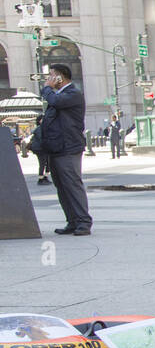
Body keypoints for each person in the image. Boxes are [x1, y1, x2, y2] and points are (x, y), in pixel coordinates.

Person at [40, 63, 92, 235]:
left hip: (69, 148)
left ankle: (83, 222)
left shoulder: (73, 94)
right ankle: (72, 220)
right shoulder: (60, 96)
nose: (48, 79)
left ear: (60, 77)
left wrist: (47, 89)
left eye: (51, 75)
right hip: (56, 148)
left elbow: (55, 101)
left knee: (72, 184)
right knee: (62, 186)